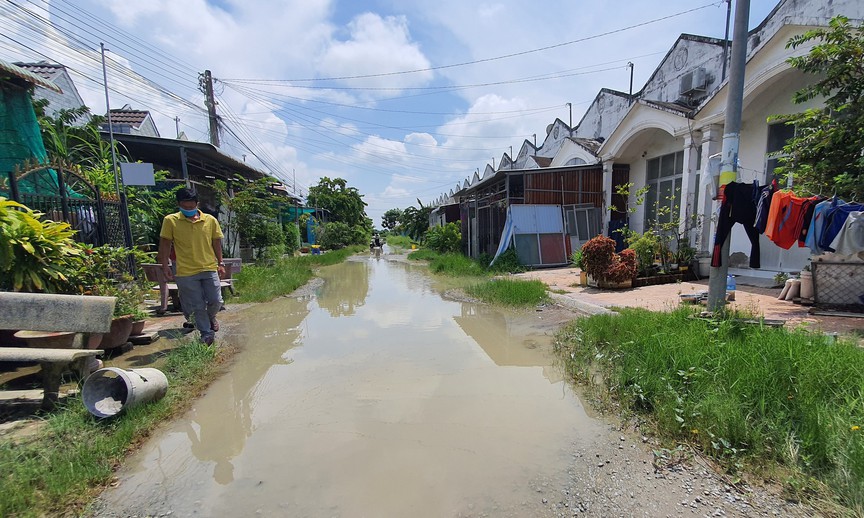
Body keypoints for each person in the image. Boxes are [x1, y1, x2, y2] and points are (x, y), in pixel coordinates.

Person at [158, 188, 225, 345]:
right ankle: (206, 333)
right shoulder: (171, 220)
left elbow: (216, 242)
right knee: (197, 305)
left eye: (191, 206)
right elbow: (165, 243)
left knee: (216, 300)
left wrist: (220, 262)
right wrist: (165, 265)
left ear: (197, 204)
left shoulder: (210, 220)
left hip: (209, 267)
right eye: (185, 206)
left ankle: (211, 318)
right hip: (185, 270)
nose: (188, 209)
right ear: (179, 204)